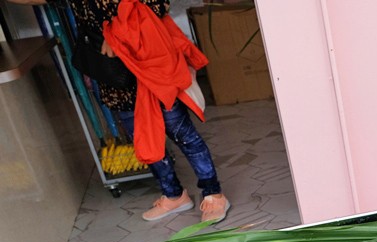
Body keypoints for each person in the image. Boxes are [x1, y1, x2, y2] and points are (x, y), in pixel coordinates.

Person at [9, 0, 230, 224]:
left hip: (149, 62)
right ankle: (174, 195)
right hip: (114, 71)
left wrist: (117, 35)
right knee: (140, 135)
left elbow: (157, 4)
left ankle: (214, 193)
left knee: (180, 131)